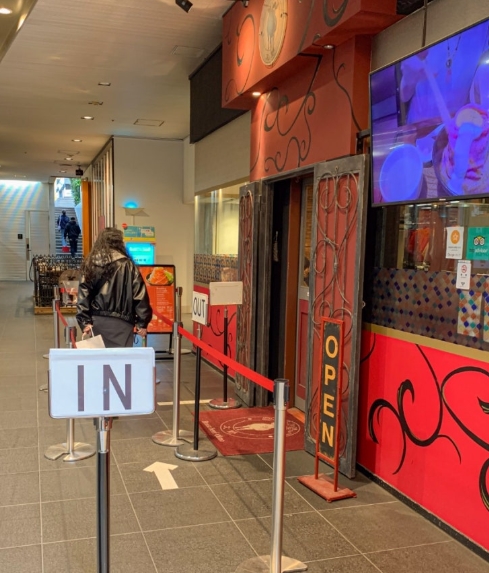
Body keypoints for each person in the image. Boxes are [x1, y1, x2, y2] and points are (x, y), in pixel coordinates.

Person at [76, 227, 152, 348]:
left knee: (99, 357)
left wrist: (85, 321)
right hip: (123, 323)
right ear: (119, 243)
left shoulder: (90, 263)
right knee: (122, 357)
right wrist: (142, 322)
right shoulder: (128, 265)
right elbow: (140, 295)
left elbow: (83, 293)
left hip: (97, 321)